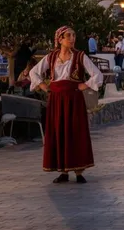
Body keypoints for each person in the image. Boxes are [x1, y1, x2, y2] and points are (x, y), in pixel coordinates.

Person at [30, 26, 103, 184]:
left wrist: (85, 85)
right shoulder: (51, 57)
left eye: (73, 35)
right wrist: (43, 86)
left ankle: (78, 171)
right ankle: (63, 171)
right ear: (60, 39)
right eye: (68, 36)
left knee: (75, 132)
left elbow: (97, 74)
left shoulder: (79, 56)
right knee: (58, 132)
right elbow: (33, 72)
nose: (72, 38)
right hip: (56, 100)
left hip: (74, 100)